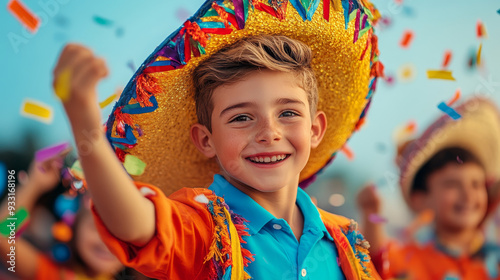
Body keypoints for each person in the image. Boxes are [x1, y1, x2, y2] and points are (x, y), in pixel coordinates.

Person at [53, 0, 384, 279]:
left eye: (288, 113)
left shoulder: (346, 239)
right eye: (241, 117)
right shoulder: (205, 229)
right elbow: (135, 225)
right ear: (205, 140)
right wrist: (85, 125)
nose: (269, 132)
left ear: (315, 130)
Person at [357, 97, 500, 279]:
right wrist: (370, 213)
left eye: (476, 184)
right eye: (452, 184)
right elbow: (377, 261)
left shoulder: (495, 260)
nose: (468, 194)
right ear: (420, 199)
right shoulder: (410, 261)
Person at [0, 155, 124, 280]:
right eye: (96, 228)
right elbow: (4, 234)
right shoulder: (54, 275)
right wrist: (34, 185)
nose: (107, 242)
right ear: (74, 225)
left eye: (119, 232)